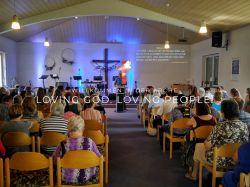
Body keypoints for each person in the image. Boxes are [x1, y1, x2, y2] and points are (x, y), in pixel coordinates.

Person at [185, 99, 249, 181]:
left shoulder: (220, 126)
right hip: (237, 160)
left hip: (219, 160)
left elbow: (208, 146)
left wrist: (206, 142)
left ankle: (194, 175)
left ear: (223, 112)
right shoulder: (244, 126)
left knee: (198, 146)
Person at [53, 116, 101, 185]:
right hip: (88, 176)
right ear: (83, 129)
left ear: (68, 129)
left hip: (66, 178)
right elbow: (99, 158)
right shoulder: (90, 142)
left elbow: (55, 162)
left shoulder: (62, 144)